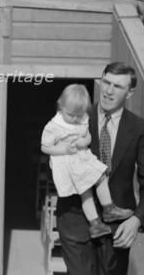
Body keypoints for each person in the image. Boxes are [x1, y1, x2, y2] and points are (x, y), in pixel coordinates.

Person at [56, 63, 144, 275]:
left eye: (118, 86)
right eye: (106, 83)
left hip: (117, 224)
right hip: (75, 218)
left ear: (130, 93)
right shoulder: (75, 118)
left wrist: (137, 219)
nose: (109, 91)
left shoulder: (141, 130)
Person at [41, 84, 134, 239]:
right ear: (61, 106)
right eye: (71, 115)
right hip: (69, 162)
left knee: (101, 177)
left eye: (79, 115)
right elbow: (45, 147)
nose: (76, 119)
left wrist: (84, 142)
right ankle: (96, 222)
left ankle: (108, 209)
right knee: (86, 192)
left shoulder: (82, 119)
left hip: (83, 157)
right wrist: (64, 150)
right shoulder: (54, 126)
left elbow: (87, 135)